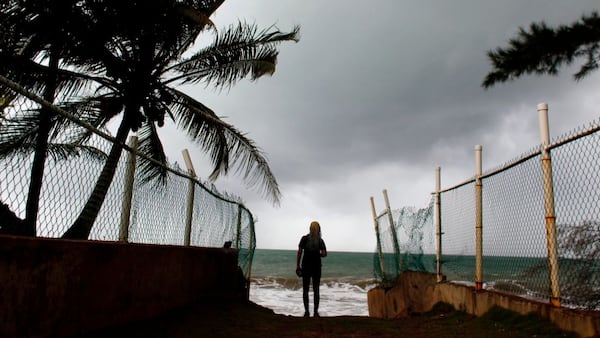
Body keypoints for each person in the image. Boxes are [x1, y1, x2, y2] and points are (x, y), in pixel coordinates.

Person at [296, 220, 327, 317]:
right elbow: (324, 253)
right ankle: (315, 312)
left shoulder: (304, 238)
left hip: (306, 266)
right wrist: (318, 254)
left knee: (305, 289)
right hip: (317, 267)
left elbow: (300, 252)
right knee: (316, 289)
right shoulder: (320, 241)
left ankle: (306, 312)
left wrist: (297, 265)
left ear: (310, 228)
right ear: (318, 229)